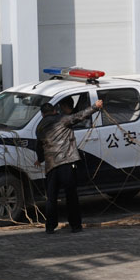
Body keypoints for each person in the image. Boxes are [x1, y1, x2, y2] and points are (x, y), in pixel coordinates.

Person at [36, 98, 103, 234]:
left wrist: (40, 159)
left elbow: (39, 145)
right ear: (54, 111)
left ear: (42, 114)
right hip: (67, 162)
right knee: (71, 196)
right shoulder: (62, 119)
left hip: (51, 165)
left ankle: (50, 227)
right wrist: (95, 107)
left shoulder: (40, 126)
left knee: (51, 198)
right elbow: (80, 116)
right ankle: (75, 226)